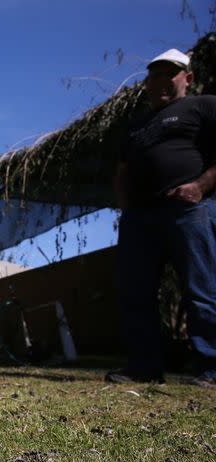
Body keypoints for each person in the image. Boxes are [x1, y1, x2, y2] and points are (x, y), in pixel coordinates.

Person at [108, 48, 216, 387]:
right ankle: (144, 366)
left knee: (201, 288)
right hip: (140, 218)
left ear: (188, 77)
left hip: (187, 211)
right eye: (154, 75)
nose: (161, 81)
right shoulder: (138, 125)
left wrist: (200, 186)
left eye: (170, 73)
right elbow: (122, 170)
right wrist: (126, 206)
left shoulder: (202, 106)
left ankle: (211, 368)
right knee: (135, 292)